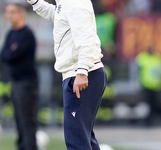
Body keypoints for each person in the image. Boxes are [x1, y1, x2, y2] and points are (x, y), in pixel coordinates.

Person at [27, 0, 107, 149]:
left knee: (77, 140)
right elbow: (57, 15)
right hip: (80, 72)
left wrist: (82, 71)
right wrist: (35, 2)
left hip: (82, 74)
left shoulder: (74, 2)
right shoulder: (67, 2)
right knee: (84, 137)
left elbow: (86, 39)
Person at [0, 3, 38, 150]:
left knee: (27, 120)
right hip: (15, 81)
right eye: (7, 12)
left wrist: (10, 52)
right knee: (19, 120)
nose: (9, 16)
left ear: (22, 13)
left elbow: (12, 55)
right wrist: (10, 52)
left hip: (27, 82)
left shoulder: (27, 34)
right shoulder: (11, 33)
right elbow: (3, 55)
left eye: (13, 12)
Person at [136, 47, 161, 126]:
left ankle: (152, 120)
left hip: (156, 86)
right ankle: (147, 121)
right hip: (146, 85)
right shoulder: (142, 57)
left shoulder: (157, 58)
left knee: (154, 104)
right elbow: (136, 70)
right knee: (146, 104)